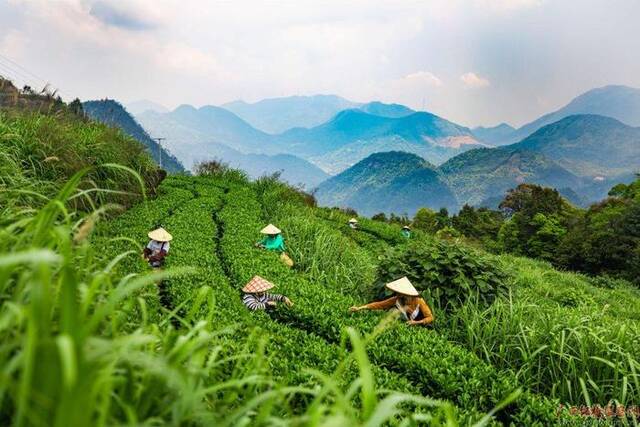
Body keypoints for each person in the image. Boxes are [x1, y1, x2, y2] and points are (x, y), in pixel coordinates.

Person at [349, 277, 434, 326]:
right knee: (393, 311)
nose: (397, 293)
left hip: (422, 326)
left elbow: (430, 318)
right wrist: (360, 308)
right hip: (408, 324)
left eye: (399, 292)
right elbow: (380, 304)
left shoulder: (419, 301)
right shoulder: (397, 299)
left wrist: (416, 322)